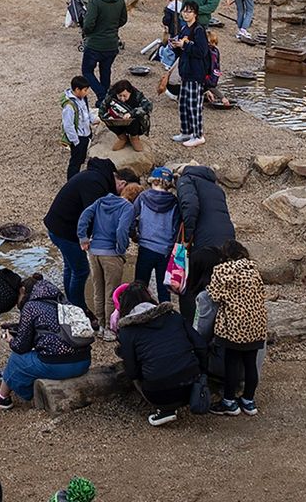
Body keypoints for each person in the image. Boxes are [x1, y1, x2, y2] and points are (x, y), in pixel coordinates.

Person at [0, 276, 92, 410]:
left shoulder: (31, 306)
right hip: (84, 361)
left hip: (61, 367)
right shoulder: (62, 301)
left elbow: (20, 347)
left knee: (16, 359)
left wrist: (10, 339)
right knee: (37, 355)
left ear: (23, 290)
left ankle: (1, 398)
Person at [43, 159, 139, 312]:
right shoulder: (96, 183)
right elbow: (93, 216)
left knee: (71, 267)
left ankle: (69, 305)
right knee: (81, 271)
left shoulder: (98, 177)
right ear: (122, 183)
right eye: (125, 192)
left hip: (58, 225)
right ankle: (78, 309)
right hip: (65, 231)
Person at [115, 282, 205, 427]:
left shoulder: (127, 330)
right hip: (191, 384)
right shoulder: (172, 315)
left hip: (158, 392)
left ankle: (164, 409)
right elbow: (200, 344)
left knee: (138, 373)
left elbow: (132, 372)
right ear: (149, 297)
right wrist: (202, 373)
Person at [206, 241, 267, 417]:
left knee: (231, 362)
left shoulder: (222, 270)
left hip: (234, 323)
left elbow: (215, 295)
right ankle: (249, 401)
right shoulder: (253, 269)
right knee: (250, 363)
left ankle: (229, 402)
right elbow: (262, 292)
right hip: (256, 321)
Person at [78, 182, 143, 334]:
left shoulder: (102, 201)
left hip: (94, 252)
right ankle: (109, 328)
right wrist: (121, 248)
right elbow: (122, 229)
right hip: (111, 254)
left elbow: (84, 216)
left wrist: (83, 237)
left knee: (98, 290)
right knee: (111, 293)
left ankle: (99, 326)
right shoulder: (128, 208)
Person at [176, 166, 236, 320]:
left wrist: (187, 237)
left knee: (191, 286)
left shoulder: (186, 180)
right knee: (216, 285)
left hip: (204, 241)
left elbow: (190, 205)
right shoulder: (216, 188)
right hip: (226, 240)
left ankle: (191, 330)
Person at [132, 167, 179, 304]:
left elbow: (130, 217)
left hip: (145, 247)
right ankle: (166, 318)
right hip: (165, 251)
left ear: (152, 180)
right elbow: (176, 228)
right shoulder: (174, 202)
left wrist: (134, 235)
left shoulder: (143, 197)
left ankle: (139, 315)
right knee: (164, 290)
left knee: (139, 288)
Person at [80, 0, 127, 102]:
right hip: (111, 44)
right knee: (105, 71)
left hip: (95, 44)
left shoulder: (95, 0)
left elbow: (88, 24)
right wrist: (112, 28)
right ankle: (105, 102)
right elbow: (123, 19)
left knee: (87, 71)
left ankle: (102, 95)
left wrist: (87, 32)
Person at [171, 1, 210, 147]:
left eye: (189, 11)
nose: (186, 14)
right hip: (186, 71)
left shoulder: (198, 30)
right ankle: (186, 131)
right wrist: (175, 46)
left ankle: (198, 134)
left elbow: (202, 51)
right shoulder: (184, 29)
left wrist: (185, 45)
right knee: (183, 104)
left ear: (195, 14)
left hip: (196, 72)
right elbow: (181, 52)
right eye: (184, 11)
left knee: (194, 105)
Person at [98, 79, 152, 153]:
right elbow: (102, 109)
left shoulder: (137, 95)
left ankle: (134, 138)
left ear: (130, 92)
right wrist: (106, 118)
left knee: (136, 119)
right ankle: (122, 138)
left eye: (125, 96)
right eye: (120, 96)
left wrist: (132, 113)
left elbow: (148, 105)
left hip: (132, 121)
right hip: (117, 119)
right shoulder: (111, 94)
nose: (122, 99)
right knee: (108, 121)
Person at [60, 76, 96, 180]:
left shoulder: (83, 98)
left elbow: (87, 111)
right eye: (85, 90)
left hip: (85, 134)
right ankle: (71, 181)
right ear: (77, 90)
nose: (87, 92)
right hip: (78, 137)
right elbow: (68, 125)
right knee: (75, 162)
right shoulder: (69, 106)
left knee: (81, 159)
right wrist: (75, 141)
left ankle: (78, 178)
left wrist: (93, 120)